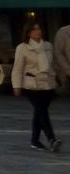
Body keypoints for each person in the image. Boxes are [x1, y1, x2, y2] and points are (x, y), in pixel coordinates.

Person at [12, 22, 60, 152]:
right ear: (29, 32)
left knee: (39, 112)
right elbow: (17, 68)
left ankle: (35, 141)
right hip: (31, 85)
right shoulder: (22, 48)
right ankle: (52, 139)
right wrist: (16, 85)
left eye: (39, 28)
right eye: (34, 29)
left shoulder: (48, 46)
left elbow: (53, 64)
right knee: (41, 111)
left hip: (47, 84)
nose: (38, 31)